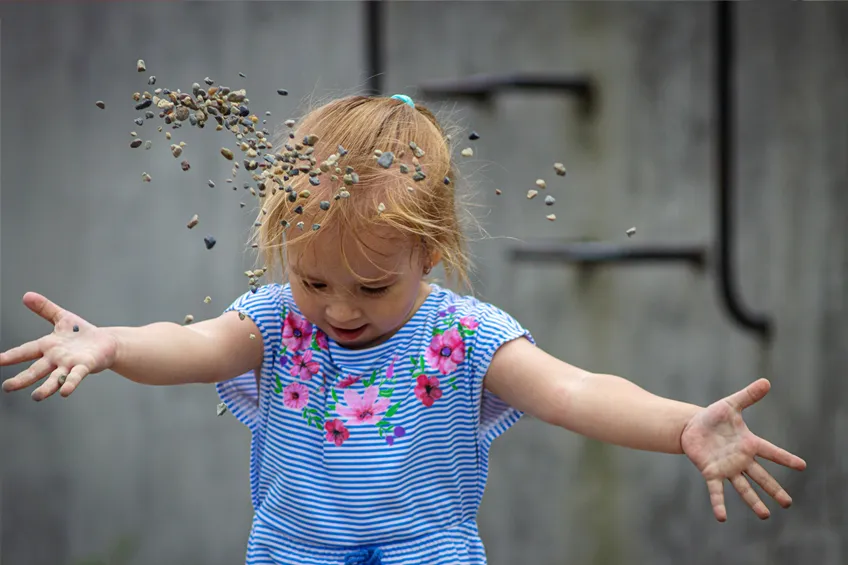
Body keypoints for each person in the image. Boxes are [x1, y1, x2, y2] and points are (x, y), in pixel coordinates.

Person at [1, 94, 806, 565]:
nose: (340, 309)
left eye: (373, 286)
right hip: (296, 548)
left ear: (430, 250)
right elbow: (190, 347)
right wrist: (109, 342)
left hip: (429, 551)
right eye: (314, 279)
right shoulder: (277, 321)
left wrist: (682, 428)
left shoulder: (465, 334)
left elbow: (575, 390)